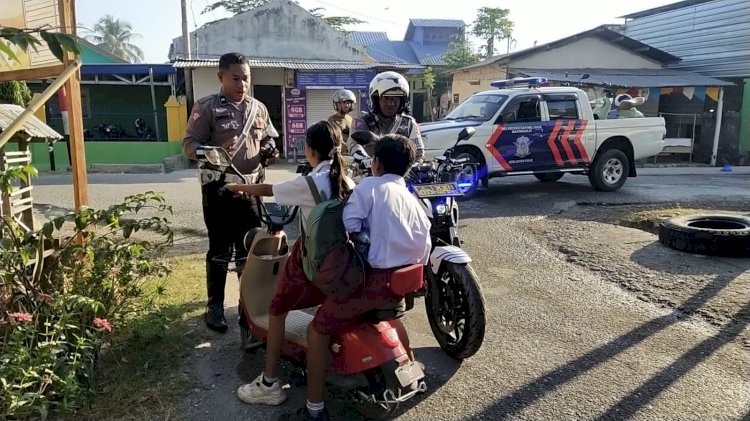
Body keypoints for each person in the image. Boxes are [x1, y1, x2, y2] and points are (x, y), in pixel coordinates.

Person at [236, 133, 432, 421]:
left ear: (376, 162)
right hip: (403, 285)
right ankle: (408, 370)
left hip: (371, 283)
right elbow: (424, 245)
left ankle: (314, 410)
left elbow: (348, 225)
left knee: (317, 330)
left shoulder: (369, 188)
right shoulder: (412, 197)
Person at [182, 52, 279, 333]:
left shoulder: (258, 109)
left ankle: (247, 309)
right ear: (221, 77)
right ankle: (214, 306)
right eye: (235, 78)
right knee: (220, 250)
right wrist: (217, 149)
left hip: (251, 190)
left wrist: (270, 150)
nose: (242, 84)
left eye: (246, 78)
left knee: (250, 251)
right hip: (220, 191)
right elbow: (189, 146)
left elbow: (270, 137)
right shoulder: (207, 107)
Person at [350, 71, 425, 163]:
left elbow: (419, 153)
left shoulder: (409, 123)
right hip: (369, 173)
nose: (391, 103)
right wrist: (366, 160)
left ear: (402, 101)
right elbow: (354, 145)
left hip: (401, 175)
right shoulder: (362, 121)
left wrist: (413, 166)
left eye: (396, 98)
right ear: (376, 99)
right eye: (386, 98)